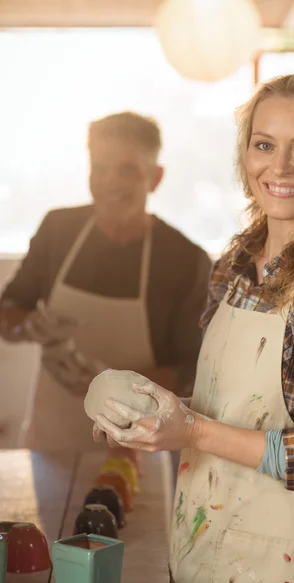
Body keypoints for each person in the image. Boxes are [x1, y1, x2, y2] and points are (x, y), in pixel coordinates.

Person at [90, 73, 294, 583]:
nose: (279, 168)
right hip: (204, 546)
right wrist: (150, 418)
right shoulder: (234, 266)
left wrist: (192, 432)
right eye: (264, 145)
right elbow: (228, 409)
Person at [0, 111, 212, 452]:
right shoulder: (58, 230)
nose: (109, 182)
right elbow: (7, 312)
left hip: (137, 445)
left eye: (127, 169)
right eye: (99, 167)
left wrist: (112, 383)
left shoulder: (185, 259)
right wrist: (26, 326)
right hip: (51, 436)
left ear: (155, 178)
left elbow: (190, 369)